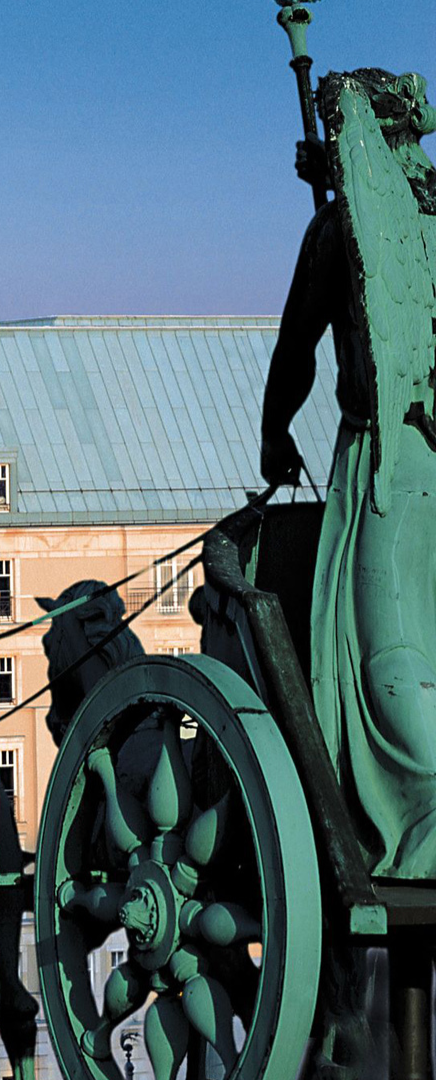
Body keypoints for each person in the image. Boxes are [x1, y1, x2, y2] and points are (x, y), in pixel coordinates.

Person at [262, 68, 436, 882]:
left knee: (377, 652)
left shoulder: (342, 235)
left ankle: (413, 809)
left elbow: (297, 348)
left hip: (385, 465)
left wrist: (273, 434)